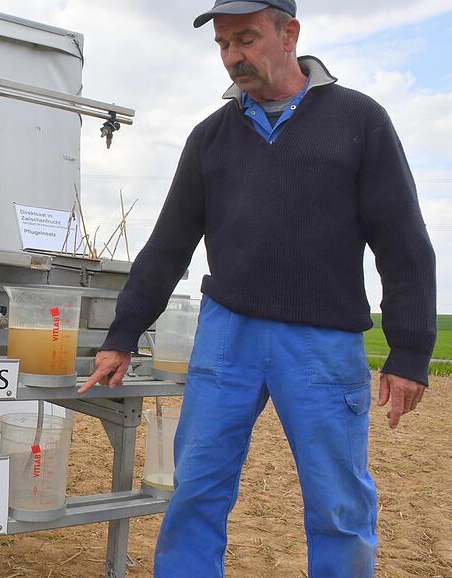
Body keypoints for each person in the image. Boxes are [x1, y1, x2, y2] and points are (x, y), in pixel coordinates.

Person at [78, 1, 437, 576]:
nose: (232, 57)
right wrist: (122, 335)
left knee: (338, 504)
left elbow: (403, 241)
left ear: (289, 33)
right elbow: (168, 244)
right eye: (222, 45)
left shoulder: (359, 121)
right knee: (195, 489)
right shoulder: (210, 137)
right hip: (228, 334)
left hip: (323, 338)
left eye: (245, 39)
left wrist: (412, 348)